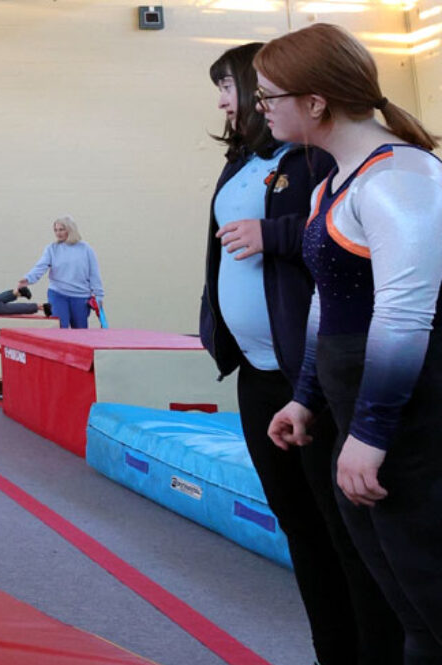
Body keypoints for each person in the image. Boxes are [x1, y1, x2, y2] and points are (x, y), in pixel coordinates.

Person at [200, 42, 402, 665]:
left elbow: (344, 246)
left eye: (233, 88)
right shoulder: (243, 163)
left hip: (312, 375)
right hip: (263, 373)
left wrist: (274, 233)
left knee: (347, 534)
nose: (228, 102)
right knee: (301, 528)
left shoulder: (333, 162)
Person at [259, 23, 442, 664]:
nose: (261, 109)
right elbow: (327, 302)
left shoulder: (399, 178)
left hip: (411, 425)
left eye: (269, 97)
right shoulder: (331, 184)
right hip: (360, 415)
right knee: (406, 607)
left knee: (431, 602)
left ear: (315, 102)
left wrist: (372, 429)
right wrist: (306, 396)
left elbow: (405, 314)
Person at [17, 217, 104, 329]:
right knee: (60, 327)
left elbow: (94, 274)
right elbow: (41, 267)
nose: (58, 233)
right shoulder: (52, 249)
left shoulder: (86, 249)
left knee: (80, 330)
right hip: (58, 293)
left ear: (70, 229)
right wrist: (28, 279)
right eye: (56, 230)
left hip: (80, 296)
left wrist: (99, 296)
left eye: (61, 229)